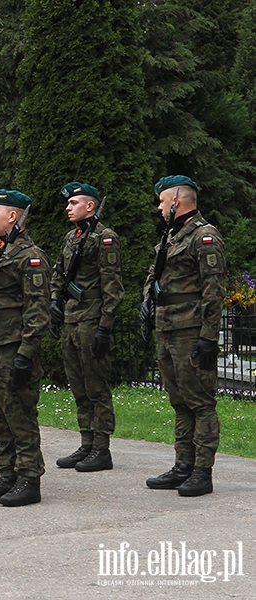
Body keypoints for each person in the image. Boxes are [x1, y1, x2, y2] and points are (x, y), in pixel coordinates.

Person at [142, 175, 225, 497]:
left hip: (191, 332)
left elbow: (214, 290)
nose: (159, 207)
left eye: (163, 202)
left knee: (200, 404)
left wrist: (208, 336)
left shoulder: (204, 237)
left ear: (178, 202)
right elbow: (157, 277)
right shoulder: (171, 237)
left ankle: (202, 472)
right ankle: (183, 466)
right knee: (179, 402)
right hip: (168, 327)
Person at [0, 190, 50, 507]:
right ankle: (8, 473)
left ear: (13, 217)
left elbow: (37, 310)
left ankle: (29, 479)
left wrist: (26, 354)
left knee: (20, 416)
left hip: (12, 348)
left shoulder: (30, 257)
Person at [50, 182, 124, 472]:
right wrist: (55, 301)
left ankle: (102, 448)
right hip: (71, 318)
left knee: (96, 386)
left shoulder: (105, 238)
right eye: (68, 204)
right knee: (79, 385)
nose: (68, 208)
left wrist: (104, 327)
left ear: (90, 206)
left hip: (92, 319)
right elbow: (58, 273)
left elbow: (113, 288)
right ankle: (86, 442)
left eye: (74, 203)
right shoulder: (71, 238)